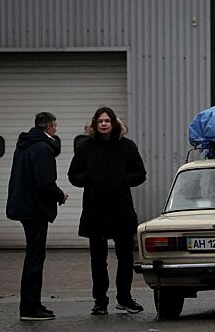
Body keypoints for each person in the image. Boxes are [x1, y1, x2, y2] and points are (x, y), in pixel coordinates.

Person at [68, 107, 147, 315]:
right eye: (100, 121)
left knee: (125, 257)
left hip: (121, 209)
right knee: (98, 259)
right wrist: (90, 180)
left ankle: (124, 298)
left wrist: (121, 180)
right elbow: (73, 174)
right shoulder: (86, 147)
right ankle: (100, 301)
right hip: (95, 210)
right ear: (95, 124)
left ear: (114, 124)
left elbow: (140, 173)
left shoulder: (127, 147)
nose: (104, 124)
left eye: (107, 121)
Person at [6, 112, 69, 321]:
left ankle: (32, 303)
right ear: (49, 127)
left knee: (33, 256)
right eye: (55, 127)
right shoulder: (42, 149)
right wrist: (60, 195)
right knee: (35, 257)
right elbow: (44, 183)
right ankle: (30, 308)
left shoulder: (25, 145)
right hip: (35, 209)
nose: (56, 130)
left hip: (25, 207)